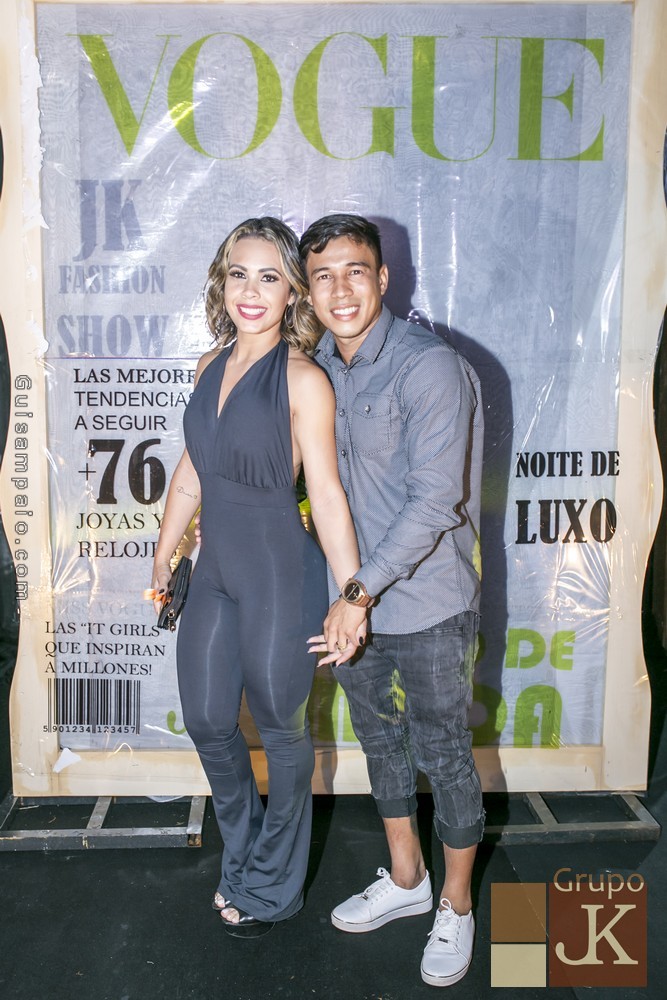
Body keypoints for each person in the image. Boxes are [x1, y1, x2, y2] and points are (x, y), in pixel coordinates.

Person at [151, 217, 363, 938]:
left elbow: (326, 495)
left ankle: (272, 884)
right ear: (221, 282)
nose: (251, 290)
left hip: (280, 574)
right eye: (239, 274)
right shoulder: (209, 365)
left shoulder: (303, 379)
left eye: (269, 276)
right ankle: (241, 855)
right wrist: (164, 551)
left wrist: (351, 596)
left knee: (279, 728)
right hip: (213, 573)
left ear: (291, 292)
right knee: (209, 722)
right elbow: (192, 469)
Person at [301, 214, 484, 988]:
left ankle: (456, 903)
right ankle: (407, 879)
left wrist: (356, 592)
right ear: (307, 291)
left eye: (355, 270)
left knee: (442, 753)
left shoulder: (427, 366)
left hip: (426, 602)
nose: (340, 289)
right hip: (349, 606)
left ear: (382, 278)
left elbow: (434, 501)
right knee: (379, 742)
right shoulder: (313, 368)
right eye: (322, 275)